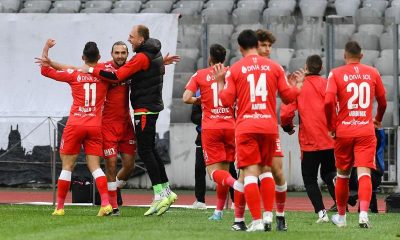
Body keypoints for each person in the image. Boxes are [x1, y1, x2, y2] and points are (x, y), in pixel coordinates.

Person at [83, 25, 178, 216]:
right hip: (121, 119)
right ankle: (164, 192)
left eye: (131, 38)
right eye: (117, 52)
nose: (129, 39)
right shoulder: (149, 54)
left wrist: (91, 70)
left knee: (144, 152)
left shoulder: (141, 57)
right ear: (111, 54)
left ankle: (160, 194)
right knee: (147, 150)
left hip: (143, 110)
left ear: (140, 40)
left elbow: (118, 75)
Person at [214, 29, 301, 232]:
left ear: (240, 47)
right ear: (256, 44)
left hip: (247, 127)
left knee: (251, 173)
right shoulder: (274, 67)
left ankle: (257, 220)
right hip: (269, 127)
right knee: (267, 171)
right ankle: (269, 216)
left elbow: (226, 102)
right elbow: (288, 97)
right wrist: (298, 86)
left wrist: (220, 80)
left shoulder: (235, 69)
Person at [37, 40, 112, 216]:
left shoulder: (75, 74)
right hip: (95, 125)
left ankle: (60, 208)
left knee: (67, 166)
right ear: (99, 57)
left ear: (83, 58)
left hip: (76, 124)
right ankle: (106, 204)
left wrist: (46, 50)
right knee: (95, 166)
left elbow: (45, 70)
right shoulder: (105, 73)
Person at [325, 41, 387, 228]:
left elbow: (328, 102)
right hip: (365, 131)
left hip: (344, 130)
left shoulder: (336, 73)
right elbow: (383, 101)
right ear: (361, 55)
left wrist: (331, 125)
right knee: (364, 172)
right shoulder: (373, 72)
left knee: (343, 175)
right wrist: (377, 118)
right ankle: (364, 215)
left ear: (345, 56)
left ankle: (342, 217)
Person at [183, 44, 245, 226]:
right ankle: (218, 212)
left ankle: (238, 185)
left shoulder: (200, 75)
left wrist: (199, 100)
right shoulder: (232, 73)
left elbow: (186, 97)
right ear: (224, 59)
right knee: (224, 171)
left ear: (210, 58)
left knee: (215, 174)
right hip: (230, 127)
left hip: (211, 128)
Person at [281, 55, 337, 223]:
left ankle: (322, 213)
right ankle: (341, 207)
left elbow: (286, 112)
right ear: (321, 68)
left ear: (306, 67)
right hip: (329, 139)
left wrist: (287, 127)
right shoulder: (328, 84)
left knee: (310, 178)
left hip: (310, 141)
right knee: (328, 173)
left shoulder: (300, 85)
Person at [255, 28, 289, 231]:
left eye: (269, 46)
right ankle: (255, 217)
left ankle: (281, 215)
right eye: (263, 45)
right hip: (250, 126)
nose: (267, 49)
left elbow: (286, 96)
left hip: (268, 125)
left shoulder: (275, 68)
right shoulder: (242, 68)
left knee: (276, 170)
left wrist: (294, 88)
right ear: (254, 46)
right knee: (257, 171)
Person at [190, 91, 207, 210]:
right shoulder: (200, 91)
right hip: (203, 134)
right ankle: (200, 200)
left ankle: (235, 199)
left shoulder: (227, 86)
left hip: (220, 133)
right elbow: (194, 117)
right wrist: (208, 116)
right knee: (199, 167)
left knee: (228, 166)